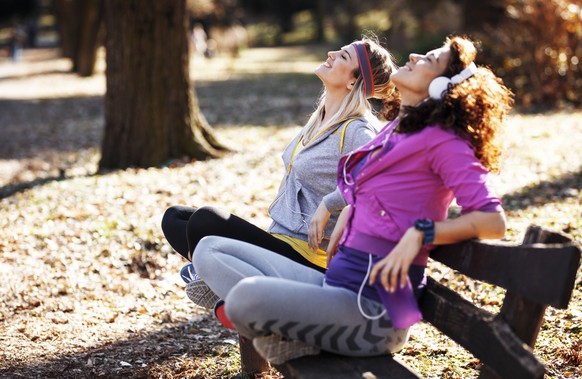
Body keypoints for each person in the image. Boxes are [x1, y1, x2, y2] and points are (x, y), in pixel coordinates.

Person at [192, 35, 513, 364]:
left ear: (441, 88)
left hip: (371, 313)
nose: (414, 55)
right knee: (210, 249)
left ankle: (271, 328)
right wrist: (344, 206)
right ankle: (278, 332)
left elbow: (493, 222)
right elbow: (368, 184)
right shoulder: (398, 129)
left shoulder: (444, 143)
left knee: (244, 296)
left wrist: (422, 233)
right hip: (334, 287)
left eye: (429, 61)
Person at [161, 36, 400, 309]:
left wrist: (329, 204)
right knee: (176, 218)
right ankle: (214, 278)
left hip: (307, 260)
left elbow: (379, 183)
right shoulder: (321, 119)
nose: (332, 53)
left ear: (352, 82)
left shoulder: (358, 130)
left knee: (206, 220)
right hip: (278, 240)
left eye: (343, 56)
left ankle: (215, 281)